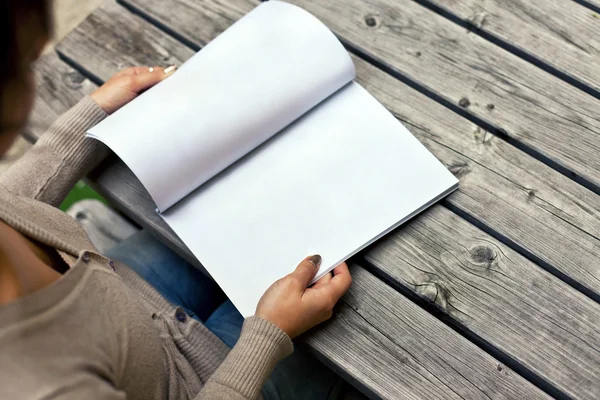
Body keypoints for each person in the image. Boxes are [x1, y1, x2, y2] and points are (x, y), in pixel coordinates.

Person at [0, 1, 353, 399]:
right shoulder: (43, 387)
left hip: (126, 288)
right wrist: (269, 337)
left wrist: (94, 115)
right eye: (31, 62)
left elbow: (11, 204)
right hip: (211, 382)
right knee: (357, 319)